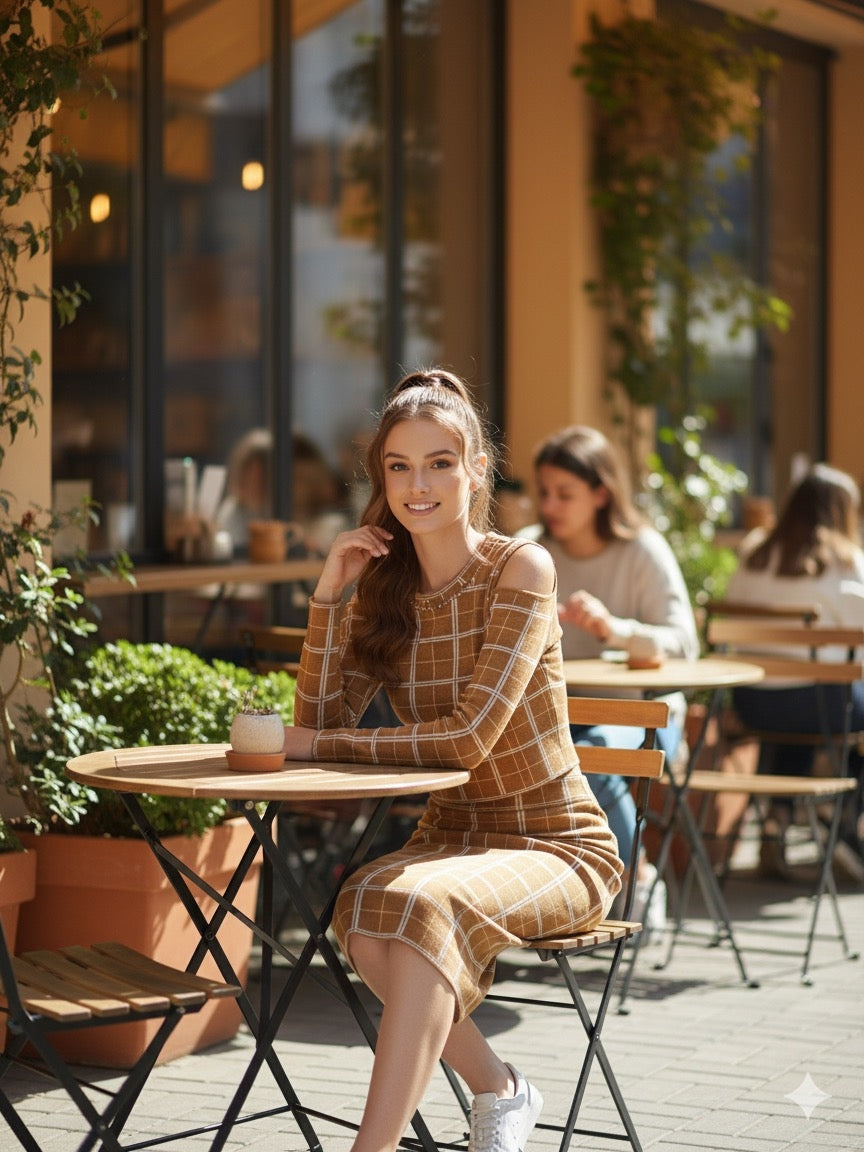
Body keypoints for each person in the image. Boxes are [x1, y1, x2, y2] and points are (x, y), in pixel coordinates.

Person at [282, 369, 622, 1152]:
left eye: (439, 461)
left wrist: (318, 745)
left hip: (556, 843)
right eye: (398, 466)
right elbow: (318, 722)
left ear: (477, 470)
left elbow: (469, 739)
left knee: (419, 909)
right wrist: (330, 597)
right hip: (452, 838)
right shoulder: (386, 590)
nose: (418, 483)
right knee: (366, 909)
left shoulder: (522, 569)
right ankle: (500, 1088)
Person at [528, 425, 700, 924]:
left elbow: (685, 643)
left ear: (601, 494)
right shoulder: (531, 553)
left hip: (643, 708)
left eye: (565, 494)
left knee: (596, 751)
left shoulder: (642, 551)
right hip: (561, 712)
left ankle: (634, 877)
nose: (550, 505)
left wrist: (613, 628)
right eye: (544, 492)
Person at [725, 462, 864, 878]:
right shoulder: (848, 562)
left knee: (803, 705)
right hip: (819, 705)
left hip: (751, 702)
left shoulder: (754, 552)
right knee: (827, 701)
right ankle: (843, 821)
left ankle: (777, 822)